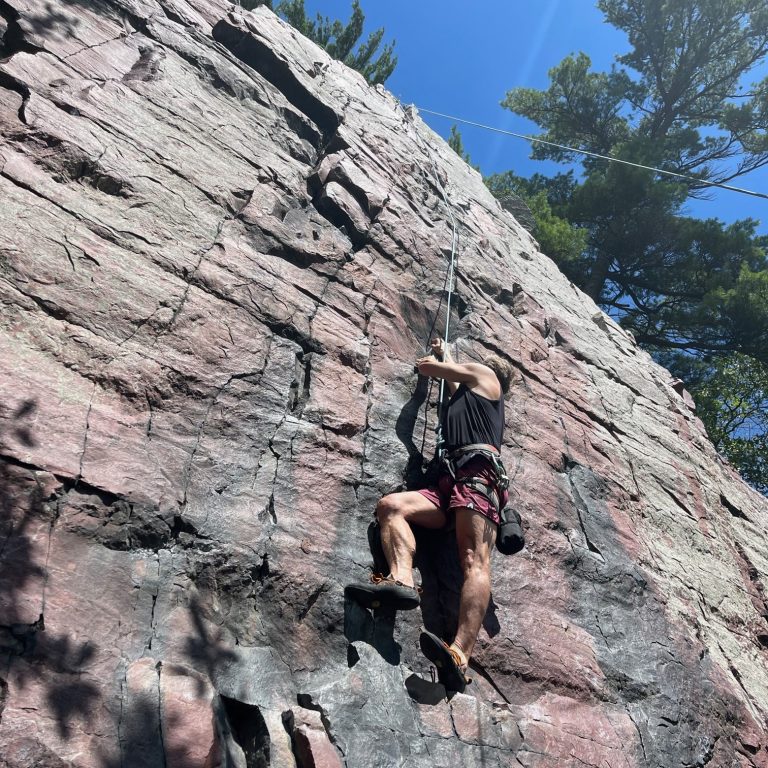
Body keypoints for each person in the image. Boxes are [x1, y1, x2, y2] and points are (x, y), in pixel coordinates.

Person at [346, 338, 513, 692]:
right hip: (448, 485)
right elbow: (452, 383)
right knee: (391, 507)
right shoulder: (473, 397)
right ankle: (401, 580)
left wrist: (434, 362)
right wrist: (446, 354)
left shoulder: (486, 375)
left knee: (474, 560)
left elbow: (432, 371)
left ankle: (458, 655)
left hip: (476, 478)